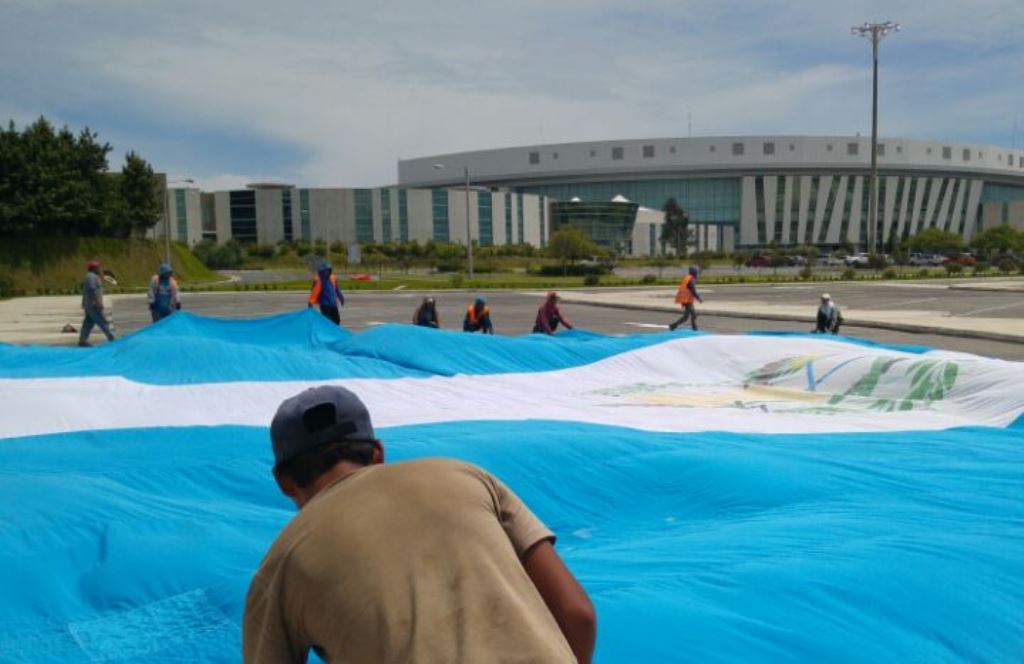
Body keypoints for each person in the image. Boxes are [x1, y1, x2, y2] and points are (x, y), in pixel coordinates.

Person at [243, 386, 596, 664]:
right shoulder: (466, 477)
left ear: (284, 482)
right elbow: (577, 614)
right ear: (377, 453)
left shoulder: (281, 564)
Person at [78, 260, 114, 347]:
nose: (99, 269)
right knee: (103, 321)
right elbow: (92, 290)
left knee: (88, 322)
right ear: (93, 268)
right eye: (97, 267)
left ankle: (82, 340)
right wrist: (98, 302)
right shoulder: (91, 277)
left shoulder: (90, 276)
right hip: (93, 305)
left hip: (88, 304)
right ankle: (111, 339)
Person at [669, 266, 703, 331]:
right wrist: (699, 299)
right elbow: (693, 290)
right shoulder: (691, 279)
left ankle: (694, 327)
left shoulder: (687, 277)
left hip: (686, 299)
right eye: (696, 271)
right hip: (687, 300)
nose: (697, 273)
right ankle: (673, 325)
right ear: (694, 272)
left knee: (694, 315)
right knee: (686, 317)